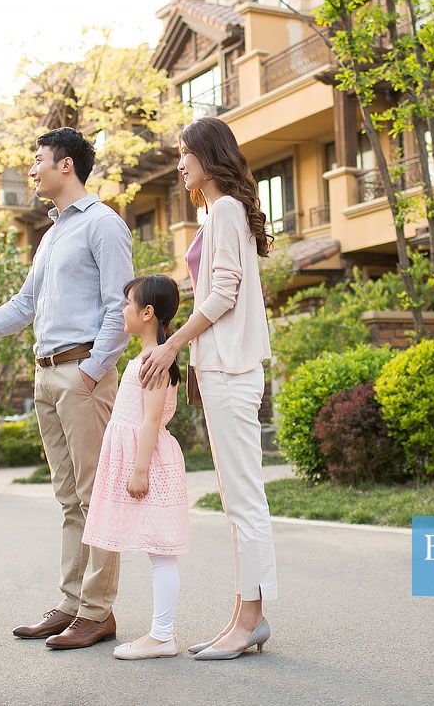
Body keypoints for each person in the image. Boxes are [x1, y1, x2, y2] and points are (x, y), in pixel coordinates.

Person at [0, 127, 133, 650]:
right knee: (70, 498)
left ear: (65, 165)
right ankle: (72, 604)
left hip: (82, 374)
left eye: (38, 160)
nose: (31, 170)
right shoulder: (51, 236)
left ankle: (99, 611)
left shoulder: (103, 225)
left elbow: (121, 306)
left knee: (96, 497)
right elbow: (25, 307)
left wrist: (94, 369)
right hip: (47, 374)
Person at [140, 116, 276, 660]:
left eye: (184, 152)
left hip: (229, 369)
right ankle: (244, 618)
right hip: (223, 369)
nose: (178, 163)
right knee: (240, 501)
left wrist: (171, 346)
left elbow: (220, 295)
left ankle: (249, 621)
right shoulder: (220, 212)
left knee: (245, 503)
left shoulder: (223, 210)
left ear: (207, 154)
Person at [82, 275, 189, 660]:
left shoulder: (154, 361)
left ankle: (162, 635)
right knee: (155, 549)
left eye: (128, 304)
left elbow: (151, 419)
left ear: (147, 313)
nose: (123, 311)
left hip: (150, 462)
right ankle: (162, 633)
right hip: (139, 458)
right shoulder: (145, 357)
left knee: (161, 550)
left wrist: (140, 468)